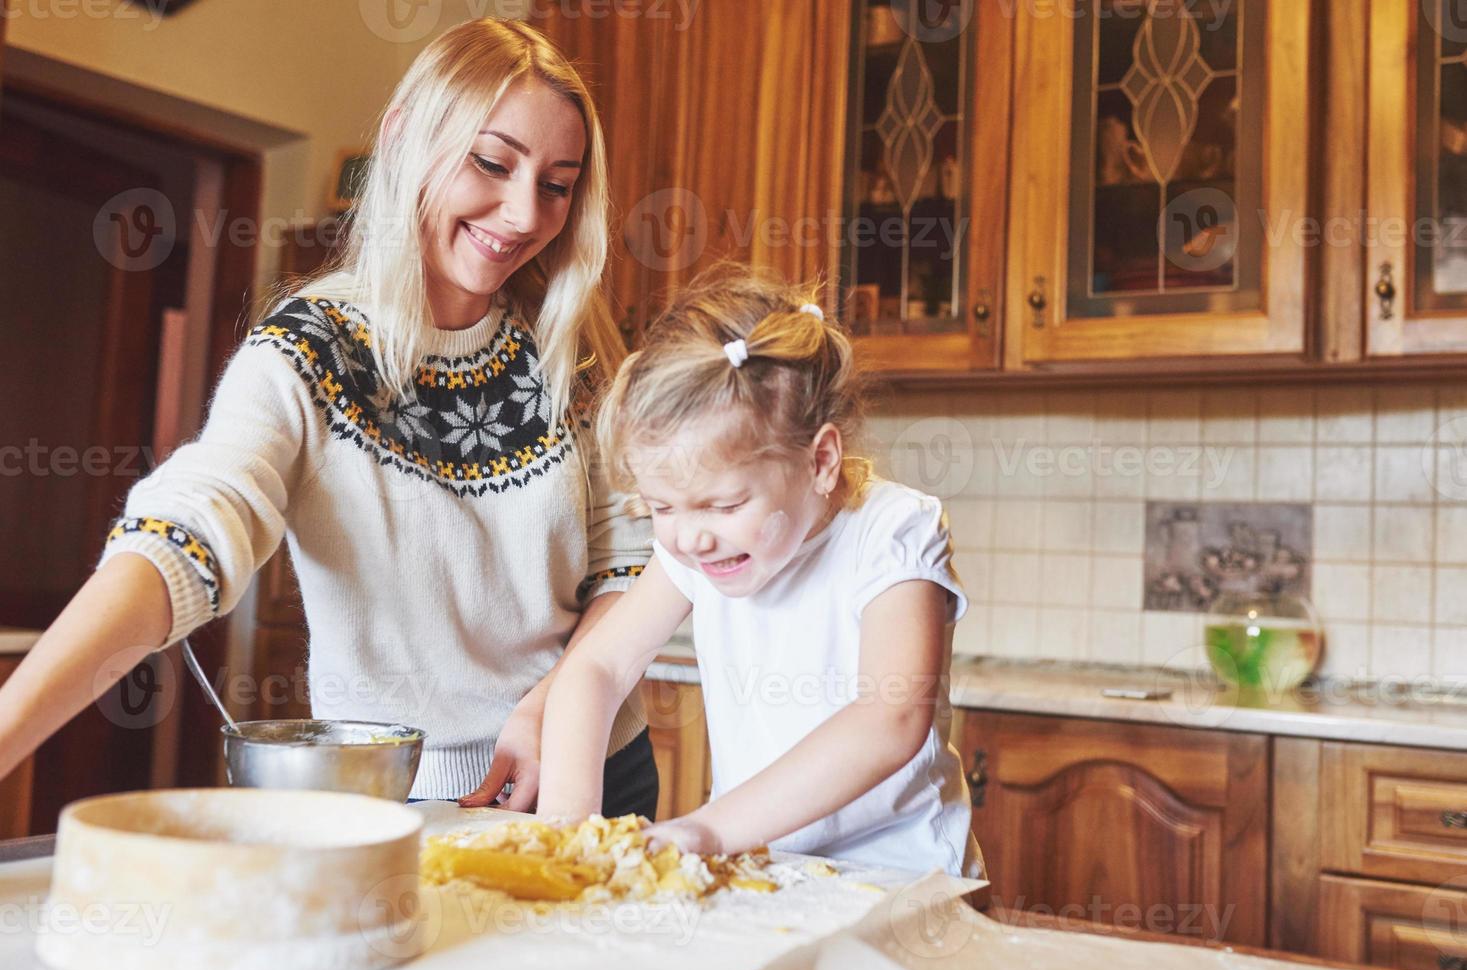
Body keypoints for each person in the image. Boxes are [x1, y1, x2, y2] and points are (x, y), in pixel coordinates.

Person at [0, 18, 659, 817]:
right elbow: (195, 523)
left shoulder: (570, 345)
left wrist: (557, 704)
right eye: (492, 162)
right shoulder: (306, 354)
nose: (523, 213)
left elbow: (629, 568)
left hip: (593, 765)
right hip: (400, 797)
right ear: (405, 137)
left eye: (556, 184)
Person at [536, 264, 980, 876]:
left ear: (820, 460)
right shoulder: (695, 548)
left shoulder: (894, 533)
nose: (690, 535)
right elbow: (598, 667)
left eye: (725, 505)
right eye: (662, 507)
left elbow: (891, 718)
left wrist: (707, 829)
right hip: (761, 867)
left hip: (901, 878)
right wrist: (566, 828)